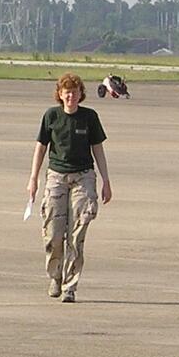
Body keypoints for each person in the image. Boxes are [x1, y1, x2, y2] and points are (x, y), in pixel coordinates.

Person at [27, 72, 112, 302]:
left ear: (80, 94)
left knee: (77, 233)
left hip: (83, 177)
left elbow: (98, 149)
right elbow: (40, 148)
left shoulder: (89, 117)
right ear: (60, 95)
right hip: (56, 176)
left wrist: (106, 181)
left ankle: (70, 286)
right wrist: (33, 179)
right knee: (54, 233)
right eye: (67, 93)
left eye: (74, 93)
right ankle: (55, 276)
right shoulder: (51, 116)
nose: (71, 97)